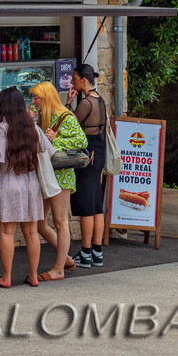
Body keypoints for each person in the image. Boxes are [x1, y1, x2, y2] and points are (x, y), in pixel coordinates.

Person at [0, 86, 55, 287]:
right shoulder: (32, 126)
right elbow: (49, 152)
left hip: (8, 183)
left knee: (7, 232)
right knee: (32, 232)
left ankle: (6, 278)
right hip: (30, 184)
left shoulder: (2, 128)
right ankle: (33, 276)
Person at [29, 81, 87, 278]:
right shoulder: (44, 118)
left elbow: (81, 141)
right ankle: (66, 260)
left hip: (61, 176)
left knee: (60, 221)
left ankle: (59, 269)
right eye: (33, 97)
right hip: (47, 175)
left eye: (36, 97)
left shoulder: (65, 116)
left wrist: (57, 139)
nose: (33, 101)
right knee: (39, 223)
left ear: (46, 98)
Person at [69, 63, 110, 268]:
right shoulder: (100, 100)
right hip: (99, 151)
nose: (72, 83)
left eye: (75, 79)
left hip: (88, 153)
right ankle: (97, 251)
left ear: (84, 81)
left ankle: (85, 253)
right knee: (95, 203)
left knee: (85, 204)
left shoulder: (86, 103)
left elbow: (70, 126)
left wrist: (68, 103)